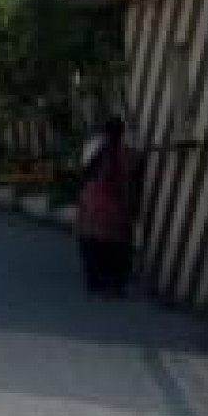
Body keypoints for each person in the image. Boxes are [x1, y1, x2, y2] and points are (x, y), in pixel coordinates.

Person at [76, 116, 142, 297]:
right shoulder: (127, 154)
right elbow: (134, 173)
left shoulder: (95, 148)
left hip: (92, 202)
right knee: (118, 246)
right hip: (116, 206)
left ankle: (97, 283)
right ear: (121, 133)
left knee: (91, 244)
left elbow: (83, 170)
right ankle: (116, 284)